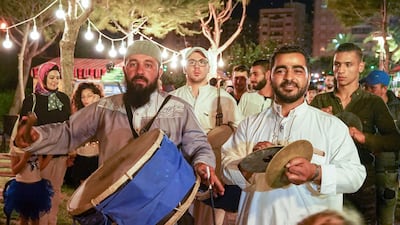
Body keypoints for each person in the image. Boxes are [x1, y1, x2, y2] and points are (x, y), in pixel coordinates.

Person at [13, 40, 224, 224]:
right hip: (117, 210)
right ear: (125, 70)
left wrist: (203, 163)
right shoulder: (105, 108)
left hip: (166, 207)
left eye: (148, 65)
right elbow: (69, 133)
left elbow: (198, 144)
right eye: (133, 64)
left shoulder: (179, 108)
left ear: (159, 72)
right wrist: (38, 137)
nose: (140, 71)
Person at [221, 45, 366, 225]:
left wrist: (315, 172)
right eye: (281, 70)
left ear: (307, 76)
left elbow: (355, 176)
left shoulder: (331, 126)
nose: (289, 77)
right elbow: (226, 169)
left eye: (297, 70)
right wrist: (251, 162)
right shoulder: (250, 124)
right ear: (270, 76)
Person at [310, 43, 400, 225]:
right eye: (337, 65)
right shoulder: (321, 101)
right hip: (327, 181)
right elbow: (304, 140)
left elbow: (394, 140)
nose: (341, 70)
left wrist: (365, 138)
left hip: (363, 183)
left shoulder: (373, 102)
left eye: (348, 64)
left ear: (360, 67)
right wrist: (319, 121)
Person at [171, 46, 243, 225]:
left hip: (213, 171)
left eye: (202, 62)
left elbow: (239, 134)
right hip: (178, 170)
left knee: (209, 220)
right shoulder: (171, 98)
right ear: (184, 67)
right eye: (192, 62)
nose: (197, 66)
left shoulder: (224, 98)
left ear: (209, 67)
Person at [17, 62, 71, 225]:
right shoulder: (31, 100)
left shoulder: (63, 98)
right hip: (40, 155)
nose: (55, 81)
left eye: (57, 77)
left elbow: (68, 124)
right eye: (51, 77)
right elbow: (23, 127)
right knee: (41, 191)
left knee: (55, 190)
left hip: (60, 153)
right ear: (43, 77)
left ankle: (51, 221)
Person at [361, 69, 400, 225]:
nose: (368, 91)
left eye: (373, 88)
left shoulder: (397, 110)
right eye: (366, 87)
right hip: (365, 171)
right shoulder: (363, 107)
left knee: (386, 217)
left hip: (387, 172)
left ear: (384, 88)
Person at [4, 143, 54, 225]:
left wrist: (50, 155)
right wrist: (25, 158)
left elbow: (39, 167)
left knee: (35, 219)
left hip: (37, 187)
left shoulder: (38, 148)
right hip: (21, 187)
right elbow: (14, 170)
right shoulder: (16, 149)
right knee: (23, 218)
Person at [66, 82, 103, 188]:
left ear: (96, 96)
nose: (86, 99)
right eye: (83, 97)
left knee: (96, 188)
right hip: (82, 157)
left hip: (97, 157)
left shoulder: (101, 112)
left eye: (89, 96)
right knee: (83, 188)